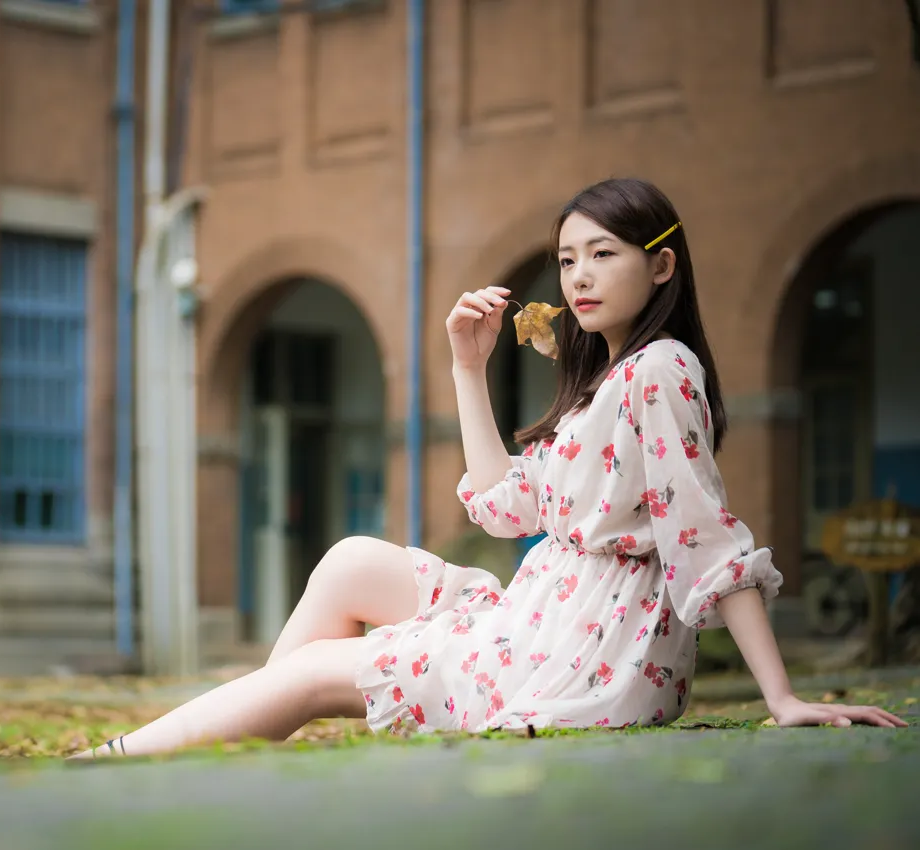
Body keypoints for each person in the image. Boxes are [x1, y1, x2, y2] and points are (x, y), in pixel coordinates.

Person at [70, 177, 906, 759]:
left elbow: (703, 534)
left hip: (589, 658)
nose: (578, 274)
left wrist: (782, 697)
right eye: (568, 256)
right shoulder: (601, 386)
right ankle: (250, 720)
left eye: (604, 253)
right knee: (352, 562)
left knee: (317, 672)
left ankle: (108, 764)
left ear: (661, 265)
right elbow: (507, 509)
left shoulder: (659, 370)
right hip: (548, 614)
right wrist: (467, 366)